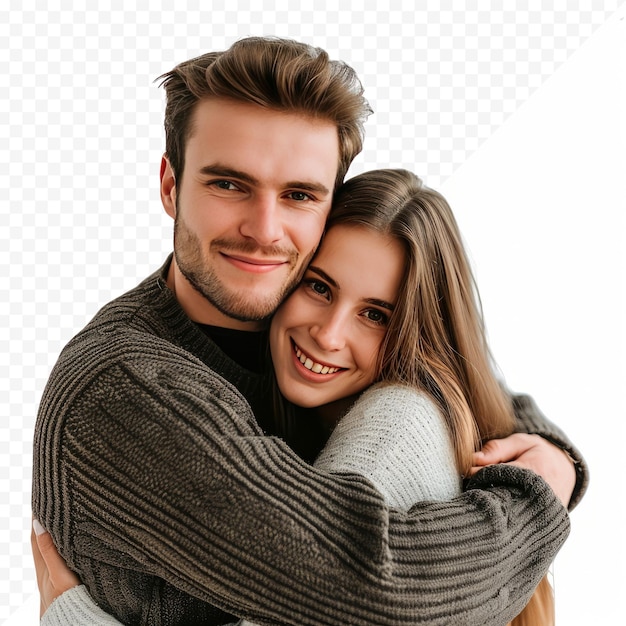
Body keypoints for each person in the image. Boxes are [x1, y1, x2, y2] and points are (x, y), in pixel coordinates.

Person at [32, 37, 587, 625]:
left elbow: (461, 371)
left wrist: (554, 456)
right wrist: (539, 495)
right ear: (171, 185)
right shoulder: (128, 390)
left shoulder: (288, 312)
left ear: (327, 209)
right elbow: (374, 595)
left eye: (298, 195)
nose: (264, 230)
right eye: (228, 184)